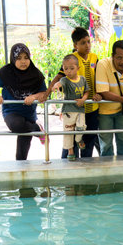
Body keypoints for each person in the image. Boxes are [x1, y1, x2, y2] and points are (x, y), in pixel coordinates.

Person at [42, 27, 101, 158]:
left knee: (88, 139)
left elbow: (99, 77)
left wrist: (100, 93)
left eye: (88, 41)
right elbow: (59, 77)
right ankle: (66, 168)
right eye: (83, 43)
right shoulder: (71, 59)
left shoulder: (94, 57)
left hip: (92, 108)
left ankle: (85, 167)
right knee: (70, 139)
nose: (87, 45)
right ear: (75, 45)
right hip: (74, 108)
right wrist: (46, 93)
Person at [0, 43, 47, 160]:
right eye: (19, 58)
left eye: (26, 58)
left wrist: (34, 96)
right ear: (13, 58)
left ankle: (21, 171)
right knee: (17, 125)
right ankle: (36, 129)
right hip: (11, 112)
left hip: (29, 114)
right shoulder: (6, 72)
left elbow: (44, 94)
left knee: (22, 152)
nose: (23, 61)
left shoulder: (36, 74)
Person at [53, 54, 89, 161]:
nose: (69, 71)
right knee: (68, 131)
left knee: (81, 127)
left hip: (80, 110)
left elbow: (87, 91)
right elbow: (59, 83)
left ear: (78, 68)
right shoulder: (65, 80)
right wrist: (56, 86)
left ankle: (78, 139)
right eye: (66, 69)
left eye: (72, 68)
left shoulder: (82, 79)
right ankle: (70, 151)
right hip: (68, 110)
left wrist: (83, 99)